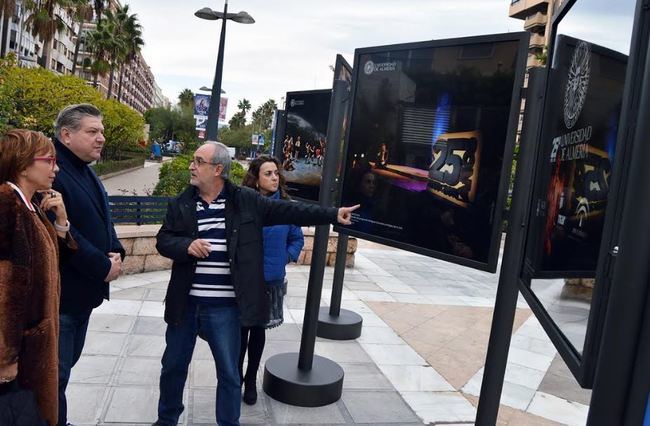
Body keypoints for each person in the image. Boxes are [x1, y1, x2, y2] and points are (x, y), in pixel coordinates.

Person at [153, 141, 358, 426]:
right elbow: (163, 240)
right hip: (185, 305)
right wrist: (186, 245)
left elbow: (290, 212)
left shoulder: (245, 200)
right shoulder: (181, 203)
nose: (191, 166)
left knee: (228, 372)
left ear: (218, 169)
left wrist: (332, 214)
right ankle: (166, 420)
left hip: (225, 308)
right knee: (172, 368)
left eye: (198, 161)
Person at [51, 103, 125, 425]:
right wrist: (101, 266)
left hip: (83, 298)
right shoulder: (52, 169)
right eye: (93, 131)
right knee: (54, 380)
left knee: (65, 371)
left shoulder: (85, 169)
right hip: (62, 299)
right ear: (66, 135)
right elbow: (61, 230)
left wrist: (116, 250)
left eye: (102, 132)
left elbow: (102, 219)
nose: (101, 138)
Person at [0, 129, 76, 425]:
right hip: (19, 350)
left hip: (34, 346)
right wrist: (5, 357)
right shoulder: (8, 204)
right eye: (49, 160)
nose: (55, 168)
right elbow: (5, 287)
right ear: (22, 165)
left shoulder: (31, 205)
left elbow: (49, 263)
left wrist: (61, 222)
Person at [238, 155, 303, 405]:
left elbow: (296, 239)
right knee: (240, 332)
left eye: (276, 173)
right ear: (255, 179)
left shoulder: (286, 206)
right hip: (244, 281)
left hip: (271, 281)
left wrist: (285, 258)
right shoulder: (244, 204)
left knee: (258, 331)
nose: (275, 177)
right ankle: (236, 378)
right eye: (268, 173)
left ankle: (251, 379)